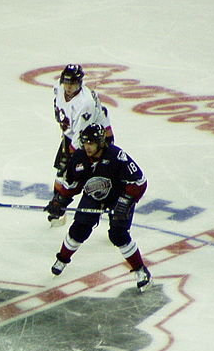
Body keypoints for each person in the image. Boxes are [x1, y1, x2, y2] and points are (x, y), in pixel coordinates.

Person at [44, 123, 152, 291]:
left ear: (101, 142)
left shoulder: (117, 156)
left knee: (118, 234)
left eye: (92, 143)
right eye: (85, 142)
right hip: (93, 194)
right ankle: (62, 260)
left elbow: (139, 182)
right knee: (79, 229)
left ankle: (141, 270)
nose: (87, 147)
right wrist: (59, 202)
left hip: (119, 197)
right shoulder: (79, 158)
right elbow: (72, 185)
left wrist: (125, 202)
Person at [52, 64, 114, 175]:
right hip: (74, 132)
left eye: (73, 83)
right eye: (66, 82)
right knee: (63, 172)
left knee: (94, 172)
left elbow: (81, 133)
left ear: (80, 83)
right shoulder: (58, 87)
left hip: (97, 137)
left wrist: (70, 155)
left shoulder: (85, 103)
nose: (69, 87)